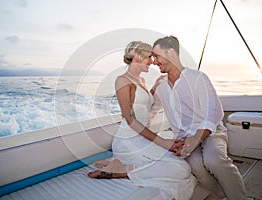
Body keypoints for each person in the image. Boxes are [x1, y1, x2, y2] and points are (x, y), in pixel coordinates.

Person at [88, 41, 196, 200]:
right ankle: (120, 170)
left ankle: (119, 164)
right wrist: (163, 142)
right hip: (127, 140)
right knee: (181, 170)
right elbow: (130, 118)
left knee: (182, 166)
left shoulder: (142, 82)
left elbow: (144, 106)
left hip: (143, 138)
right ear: (137, 56)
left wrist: (154, 88)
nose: (153, 61)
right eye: (149, 57)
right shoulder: (122, 80)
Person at [150, 36, 247, 200]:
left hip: (211, 132)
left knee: (214, 160)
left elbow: (214, 112)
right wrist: (151, 90)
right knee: (195, 166)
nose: (154, 61)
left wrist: (195, 139)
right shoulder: (161, 86)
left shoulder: (197, 78)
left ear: (171, 53)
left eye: (157, 56)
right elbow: (151, 108)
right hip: (182, 137)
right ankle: (222, 194)